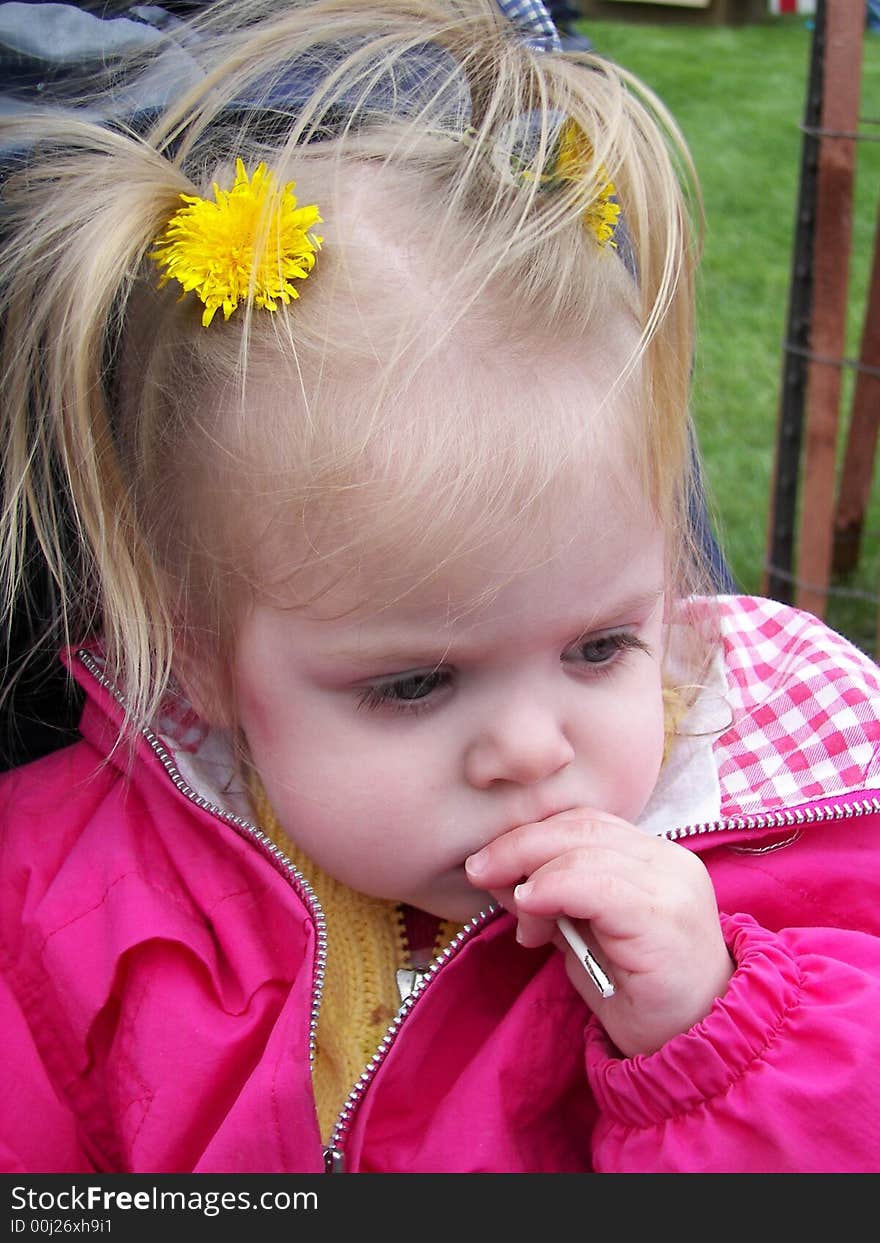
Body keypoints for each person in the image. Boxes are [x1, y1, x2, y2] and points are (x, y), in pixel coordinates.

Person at [1, 0, 878, 1176]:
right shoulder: (64, 909)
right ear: (198, 650)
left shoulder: (785, 832)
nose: (530, 749)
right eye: (414, 681)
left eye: (600, 646)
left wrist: (716, 1035)